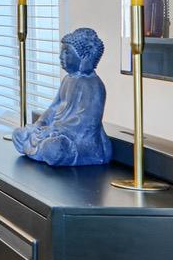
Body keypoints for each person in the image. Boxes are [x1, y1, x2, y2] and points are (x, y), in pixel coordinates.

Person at [12, 27, 113, 167]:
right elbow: (54, 107)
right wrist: (40, 123)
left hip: (81, 142)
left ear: (83, 57)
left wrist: (54, 129)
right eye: (62, 52)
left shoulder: (93, 85)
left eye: (67, 52)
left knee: (53, 149)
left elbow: (85, 122)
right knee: (19, 134)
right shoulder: (67, 80)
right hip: (56, 131)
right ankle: (42, 145)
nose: (61, 56)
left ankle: (51, 150)